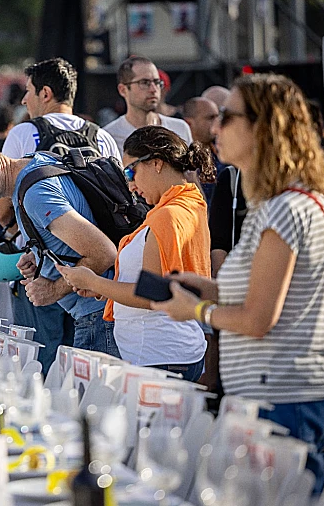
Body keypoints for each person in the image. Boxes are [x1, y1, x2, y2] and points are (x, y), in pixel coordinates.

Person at [154, 73, 324, 491]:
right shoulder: (274, 205)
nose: (216, 128)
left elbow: (258, 319)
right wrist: (209, 290)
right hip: (270, 394)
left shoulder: (287, 209)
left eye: (228, 117)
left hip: (283, 398)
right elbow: (268, 294)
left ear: (265, 127)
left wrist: (197, 310)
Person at [0, 133, 120, 373]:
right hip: (100, 313)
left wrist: (53, 290)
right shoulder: (34, 163)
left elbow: (104, 254)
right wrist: (39, 256)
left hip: (99, 317)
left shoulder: (35, 194)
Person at [57, 126, 214, 380]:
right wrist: (102, 289)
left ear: (156, 163)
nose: (130, 185)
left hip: (160, 358)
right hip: (166, 354)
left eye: (130, 171)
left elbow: (151, 297)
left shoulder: (169, 214)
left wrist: (93, 281)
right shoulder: (187, 203)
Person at [0, 57, 120, 361]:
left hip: (44, 269)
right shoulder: (101, 136)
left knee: (43, 362)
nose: (24, 99)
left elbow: (2, 210)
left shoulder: (25, 134)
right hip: (97, 273)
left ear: (46, 94)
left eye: (29, 91)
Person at [103, 56, 193, 154]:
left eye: (157, 82)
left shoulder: (179, 128)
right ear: (123, 90)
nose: (153, 89)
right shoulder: (109, 137)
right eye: (144, 83)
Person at [183, 96, 222, 203]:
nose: (217, 122)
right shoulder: (181, 159)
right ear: (189, 123)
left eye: (217, 117)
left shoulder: (224, 152)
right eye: (210, 118)